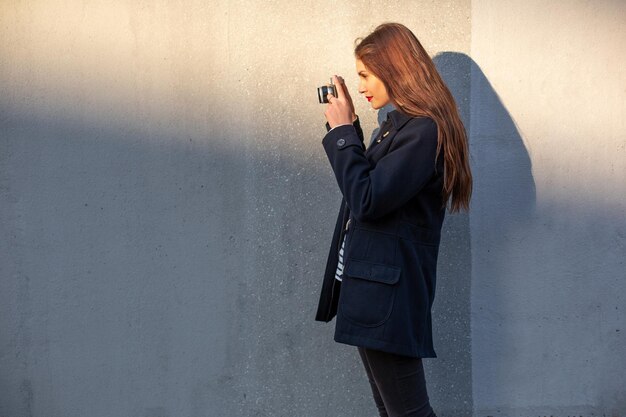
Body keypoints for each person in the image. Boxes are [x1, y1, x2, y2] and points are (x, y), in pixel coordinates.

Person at [315, 23, 472, 417]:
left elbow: (366, 199)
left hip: (387, 297)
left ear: (394, 68)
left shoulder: (423, 132)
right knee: (392, 409)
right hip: (373, 292)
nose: (363, 85)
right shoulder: (396, 129)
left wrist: (340, 134)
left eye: (366, 75)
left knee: (408, 412)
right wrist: (349, 127)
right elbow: (368, 189)